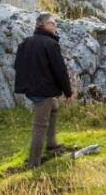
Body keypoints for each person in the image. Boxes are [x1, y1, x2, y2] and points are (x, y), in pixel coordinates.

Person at [14, 12, 73, 168]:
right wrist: (68, 92)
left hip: (32, 89)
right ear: (45, 25)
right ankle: (34, 162)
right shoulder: (50, 44)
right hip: (43, 91)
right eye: (53, 23)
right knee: (40, 125)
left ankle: (51, 143)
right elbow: (60, 70)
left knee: (54, 107)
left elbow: (17, 66)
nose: (55, 26)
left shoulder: (25, 43)